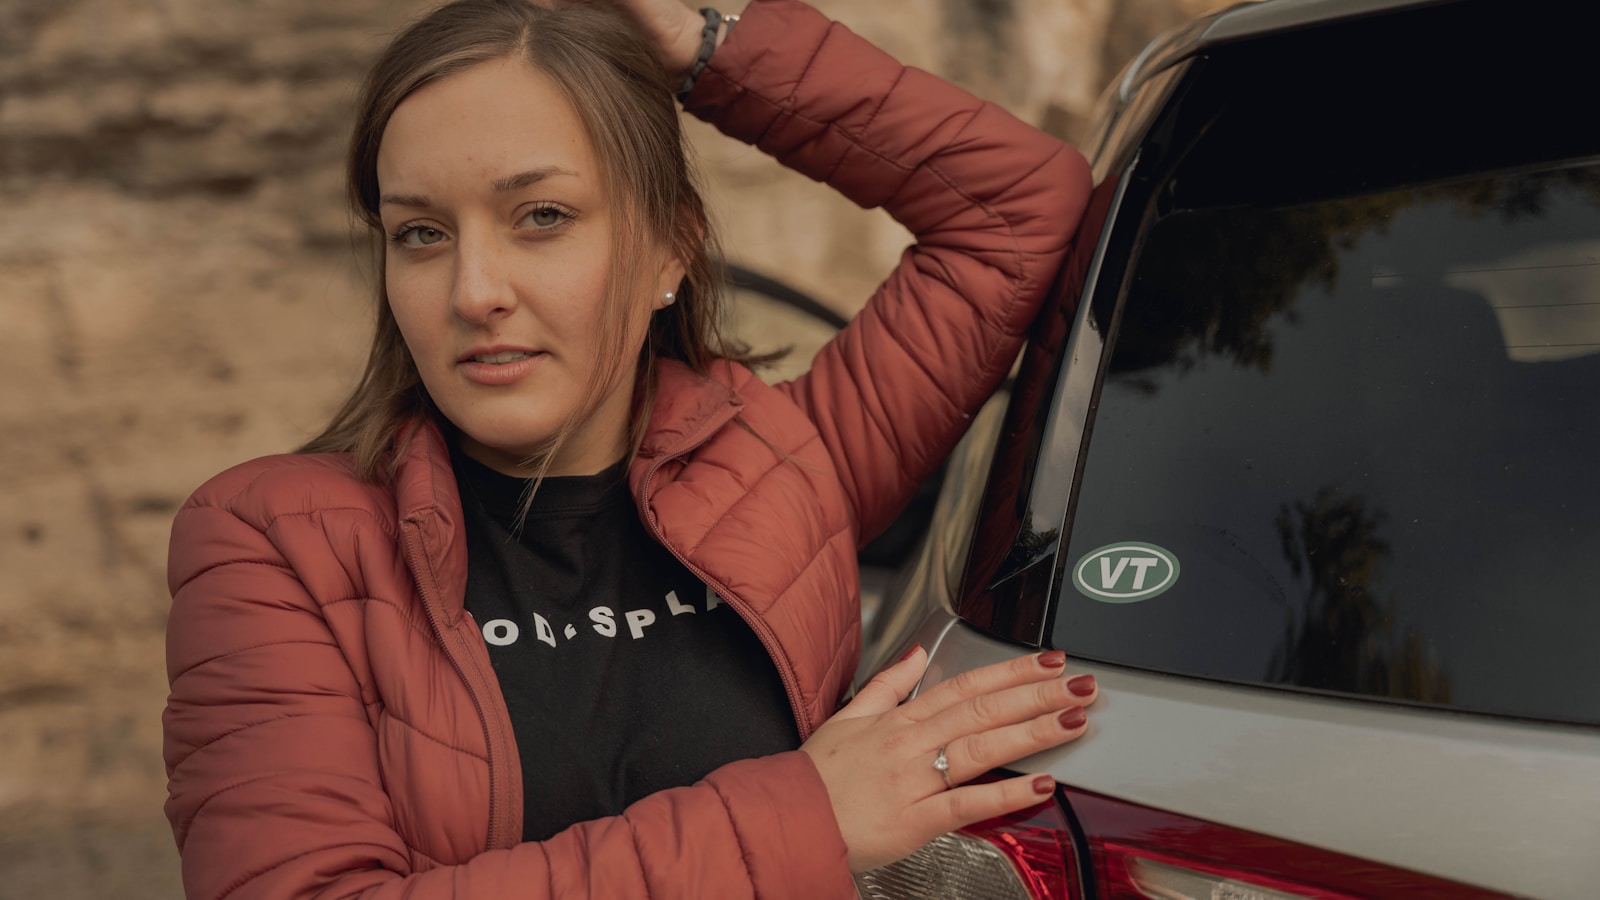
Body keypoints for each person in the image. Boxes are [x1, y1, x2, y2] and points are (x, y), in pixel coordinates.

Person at [161, 0, 1096, 896]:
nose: (473, 290)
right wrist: (806, 816)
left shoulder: (787, 468)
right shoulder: (271, 543)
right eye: (421, 233)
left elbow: (1015, 206)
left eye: (541, 217)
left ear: (668, 249)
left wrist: (707, 51)